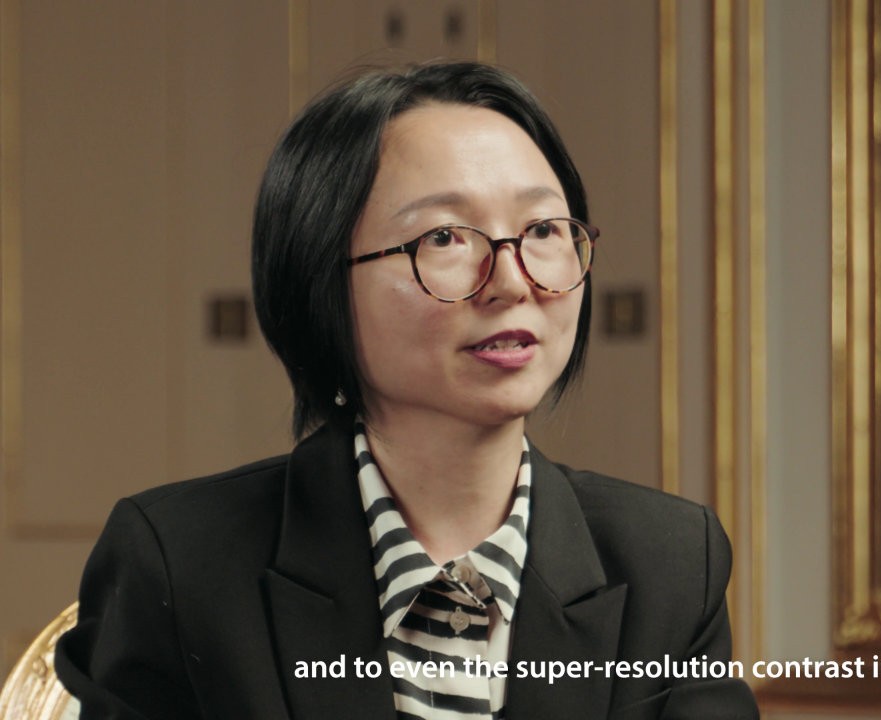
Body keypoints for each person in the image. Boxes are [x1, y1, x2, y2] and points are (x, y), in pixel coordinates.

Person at [55, 61, 758, 720]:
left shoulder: (669, 561)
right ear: (318, 281)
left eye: (543, 229)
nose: (512, 281)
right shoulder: (181, 562)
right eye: (445, 237)